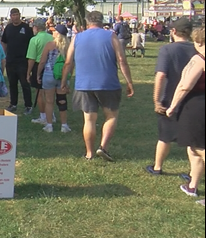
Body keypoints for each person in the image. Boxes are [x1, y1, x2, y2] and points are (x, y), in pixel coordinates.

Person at [61, 11, 134, 162]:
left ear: (87, 22)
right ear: (102, 21)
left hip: (84, 84)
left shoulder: (77, 37)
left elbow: (68, 62)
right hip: (108, 83)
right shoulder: (111, 36)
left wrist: (64, 81)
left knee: (89, 120)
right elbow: (121, 60)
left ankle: (89, 153)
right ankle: (103, 147)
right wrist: (129, 82)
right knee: (111, 116)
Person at [146, 18, 196, 175]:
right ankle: (193, 173)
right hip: (192, 97)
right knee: (193, 139)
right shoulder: (197, 49)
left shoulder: (167, 50)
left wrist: (156, 100)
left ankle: (158, 167)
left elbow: (160, 76)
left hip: (169, 97)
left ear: (173, 31)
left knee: (165, 136)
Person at [166, 27, 205, 206]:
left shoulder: (199, 59)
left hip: (198, 106)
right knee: (193, 147)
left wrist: (172, 106)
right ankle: (193, 185)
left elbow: (184, 85)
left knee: (199, 148)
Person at [36, 24, 72, 133]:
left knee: (49, 101)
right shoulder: (68, 46)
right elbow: (71, 63)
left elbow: (42, 61)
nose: (52, 33)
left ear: (57, 33)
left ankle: (49, 125)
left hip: (49, 74)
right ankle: (64, 125)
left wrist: (38, 74)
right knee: (62, 100)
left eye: (54, 31)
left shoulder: (50, 45)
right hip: (63, 75)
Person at [1, 8, 34, 114]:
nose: (15, 17)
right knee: (12, 83)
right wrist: (3, 56)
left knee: (25, 84)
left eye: (16, 15)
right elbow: (4, 42)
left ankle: (28, 105)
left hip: (23, 60)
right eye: (13, 15)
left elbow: (31, 43)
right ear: (10, 16)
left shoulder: (26, 28)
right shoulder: (8, 28)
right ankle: (13, 103)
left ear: (20, 15)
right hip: (10, 60)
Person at [26, 19, 54, 123]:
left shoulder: (34, 39)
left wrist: (28, 72)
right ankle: (51, 115)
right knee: (49, 92)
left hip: (39, 65)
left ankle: (43, 116)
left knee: (39, 92)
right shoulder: (51, 37)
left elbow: (31, 58)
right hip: (51, 64)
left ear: (36, 28)